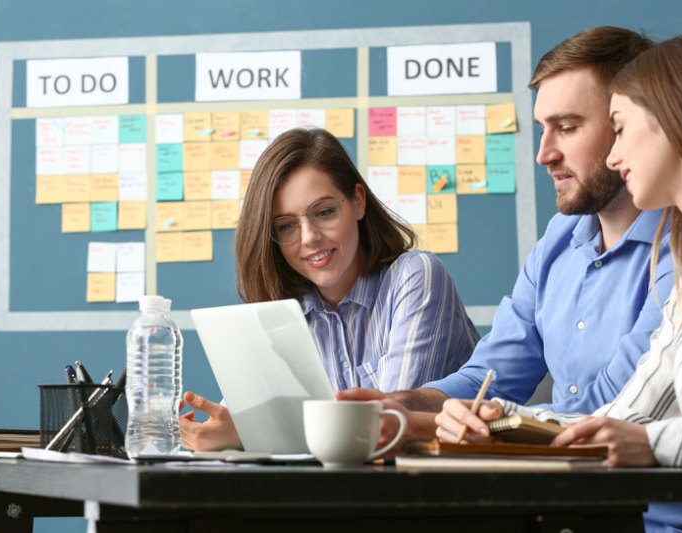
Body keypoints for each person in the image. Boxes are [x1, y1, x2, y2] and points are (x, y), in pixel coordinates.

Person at [340, 26, 682, 531]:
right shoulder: (559, 239)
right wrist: (404, 401)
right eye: (542, 128)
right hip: (567, 512)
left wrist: (417, 425)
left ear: (629, 123)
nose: (544, 153)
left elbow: (611, 414)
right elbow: (491, 375)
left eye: (567, 127)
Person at [439, 30, 682, 530]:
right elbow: (627, 415)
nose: (613, 155)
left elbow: (637, 431)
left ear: (675, 121)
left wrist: (655, 444)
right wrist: (499, 420)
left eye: (621, 128)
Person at [180, 127, 479, 451]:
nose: (308, 237)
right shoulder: (281, 312)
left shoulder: (415, 277)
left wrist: (249, 436)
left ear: (358, 202)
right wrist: (221, 432)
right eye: (286, 226)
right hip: (335, 494)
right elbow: (247, 420)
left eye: (324, 212)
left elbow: (385, 429)